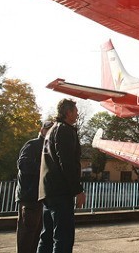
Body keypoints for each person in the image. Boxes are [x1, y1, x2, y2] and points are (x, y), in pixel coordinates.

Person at [37, 99, 86, 253]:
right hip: (60, 192)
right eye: (75, 111)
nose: (77, 114)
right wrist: (77, 190)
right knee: (63, 238)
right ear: (68, 112)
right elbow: (67, 162)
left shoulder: (51, 130)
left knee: (47, 237)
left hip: (47, 191)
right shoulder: (64, 130)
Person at [15, 120, 54, 253]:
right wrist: (45, 170)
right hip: (30, 197)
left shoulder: (49, 147)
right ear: (42, 130)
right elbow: (23, 164)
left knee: (37, 234)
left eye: (52, 130)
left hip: (41, 197)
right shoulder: (32, 145)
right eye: (48, 129)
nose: (50, 132)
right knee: (28, 233)